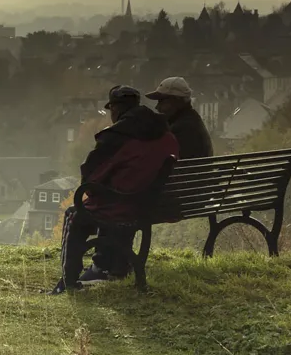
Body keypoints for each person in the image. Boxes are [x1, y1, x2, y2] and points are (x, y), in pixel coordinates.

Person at [50, 85, 179, 293]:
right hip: (149, 205)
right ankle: (116, 268)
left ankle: (68, 282)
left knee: (75, 214)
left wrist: (96, 190)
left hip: (123, 206)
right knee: (112, 201)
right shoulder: (165, 134)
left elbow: (91, 179)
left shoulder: (117, 136)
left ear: (116, 109)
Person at [147, 77, 214, 160]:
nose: (157, 107)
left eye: (161, 101)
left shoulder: (183, 128)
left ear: (176, 100)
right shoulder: (191, 120)